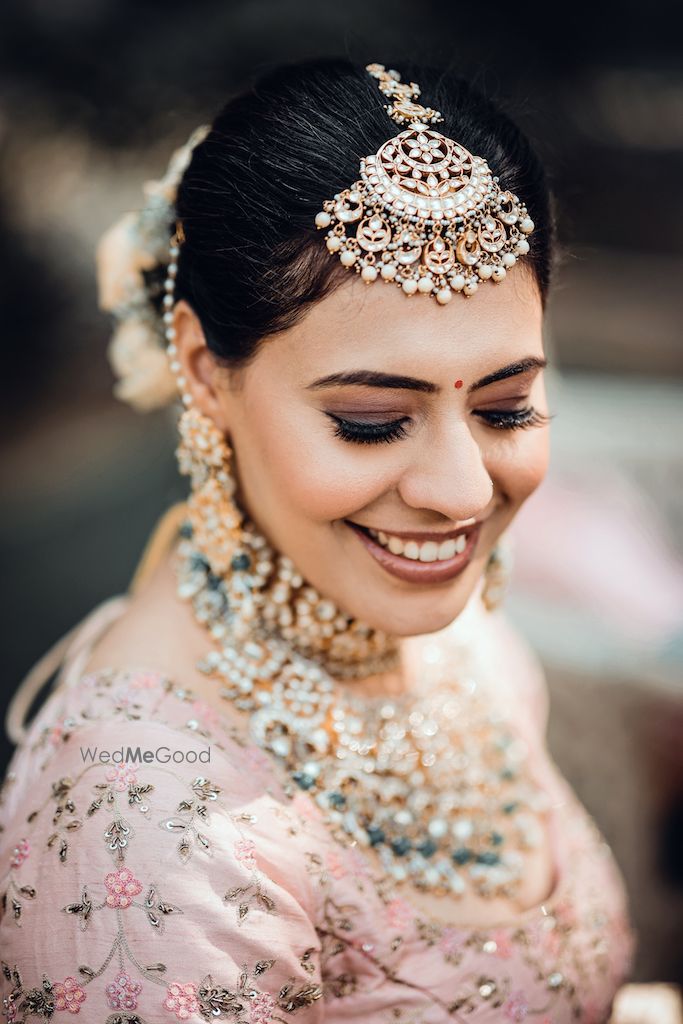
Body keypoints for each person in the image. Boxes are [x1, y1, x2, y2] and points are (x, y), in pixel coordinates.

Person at [0, 58, 637, 1023]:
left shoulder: (453, 638)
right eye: (374, 421)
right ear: (205, 370)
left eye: (507, 407)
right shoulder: (148, 821)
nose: (462, 491)